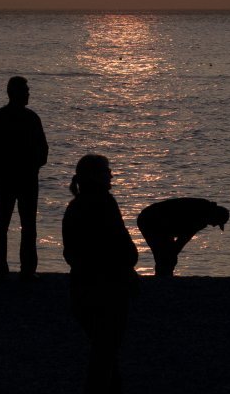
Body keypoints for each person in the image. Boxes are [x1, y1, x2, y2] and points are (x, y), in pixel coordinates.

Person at [62, 154, 138, 394]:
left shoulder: (75, 206)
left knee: (103, 352)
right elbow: (121, 246)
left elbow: (70, 253)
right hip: (107, 291)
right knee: (104, 354)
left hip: (82, 290)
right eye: (107, 171)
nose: (111, 175)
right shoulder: (104, 203)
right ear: (96, 176)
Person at [0, 76, 49, 281]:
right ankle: (25, 269)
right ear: (16, 93)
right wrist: (32, 165)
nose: (29, 93)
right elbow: (43, 151)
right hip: (22, 179)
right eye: (25, 90)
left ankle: (5, 269)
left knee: (6, 225)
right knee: (25, 225)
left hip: (10, 178)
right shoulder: (30, 118)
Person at [137, 197, 229, 277]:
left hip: (162, 223)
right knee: (164, 255)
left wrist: (173, 254)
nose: (213, 225)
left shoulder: (204, 208)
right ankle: (163, 279)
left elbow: (182, 239)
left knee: (166, 256)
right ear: (215, 215)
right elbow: (183, 239)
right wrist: (173, 254)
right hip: (151, 220)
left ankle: (163, 277)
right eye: (216, 223)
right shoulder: (200, 215)